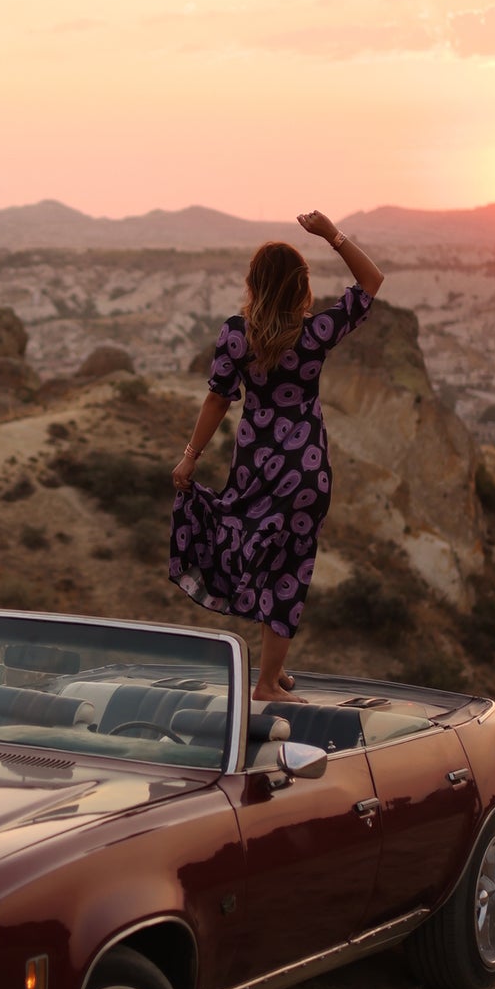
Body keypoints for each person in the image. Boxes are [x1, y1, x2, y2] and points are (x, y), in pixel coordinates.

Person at [169, 213, 385, 700]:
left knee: (257, 551)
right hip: (306, 467)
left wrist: (189, 458)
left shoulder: (235, 336)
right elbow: (371, 281)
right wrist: (332, 234)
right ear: (301, 287)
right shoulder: (314, 335)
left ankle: (270, 673)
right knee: (292, 564)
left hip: (254, 465)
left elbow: (218, 400)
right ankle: (268, 679)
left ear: (254, 283)